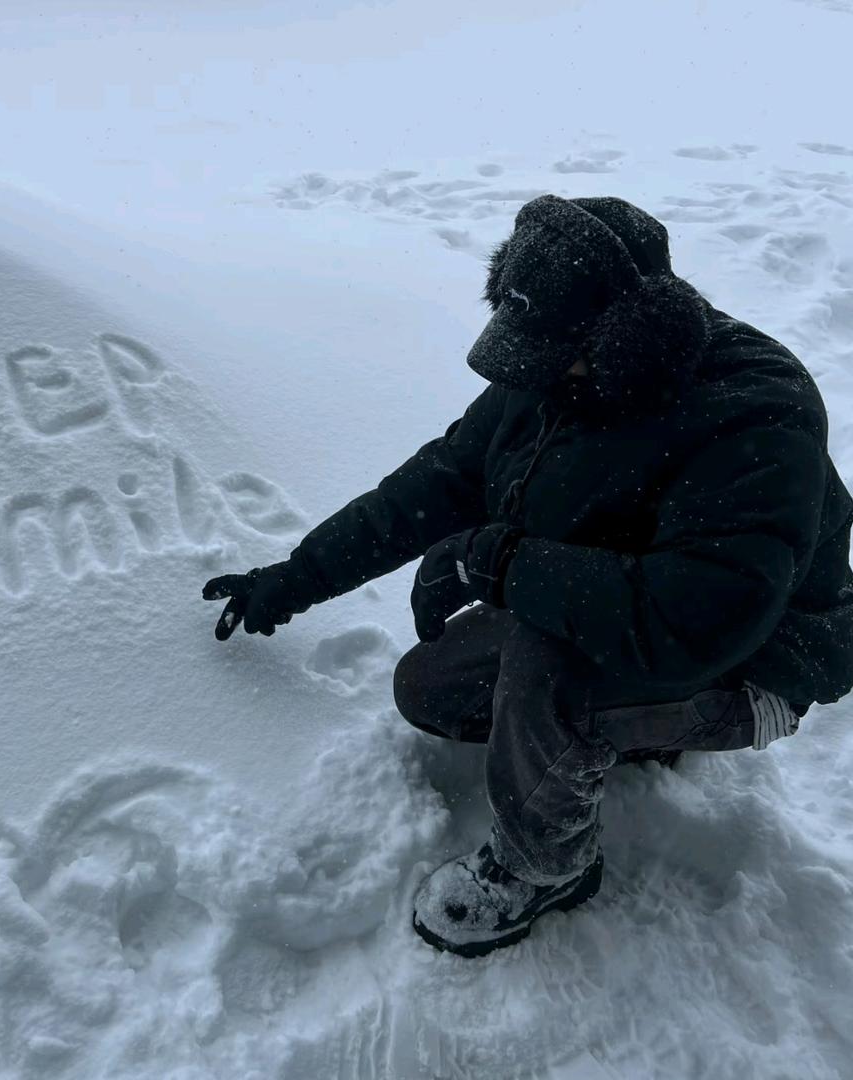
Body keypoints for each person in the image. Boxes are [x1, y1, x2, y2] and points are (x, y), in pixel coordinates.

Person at [202, 194, 853, 957]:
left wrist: (498, 560)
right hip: (629, 609)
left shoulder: (754, 415)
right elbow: (438, 481)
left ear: (624, 338)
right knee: (431, 691)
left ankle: (548, 868)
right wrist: (292, 580)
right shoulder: (559, 370)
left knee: (552, 655)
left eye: (548, 355)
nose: (530, 372)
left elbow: (691, 620)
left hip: (751, 664)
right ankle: (626, 729)